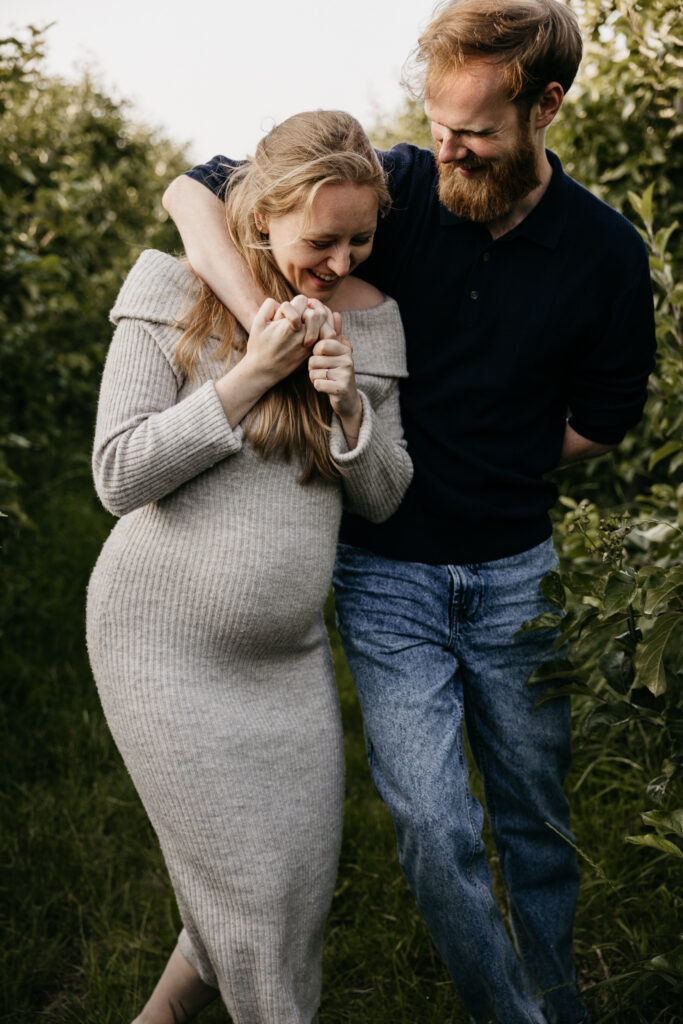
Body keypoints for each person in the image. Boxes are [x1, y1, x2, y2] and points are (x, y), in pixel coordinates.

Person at [162, 2, 657, 1022]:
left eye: (472, 132)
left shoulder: (602, 253)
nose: (446, 150)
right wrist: (262, 322)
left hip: (518, 572)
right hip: (386, 571)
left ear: (544, 106)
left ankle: (552, 1003)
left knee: (532, 818)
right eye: (434, 125)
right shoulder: (393, 189)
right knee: (432, 825)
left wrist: (504, 462)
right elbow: (191, 188)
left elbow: (602, 419)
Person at [86, 108, 413, 1024]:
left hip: (286, 661)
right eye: (322, 240)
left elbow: (384, 496)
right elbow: (118, 475)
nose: (341, 261)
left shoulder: (372, 322)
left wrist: (353, 417)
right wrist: (248, 376)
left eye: (360, 238)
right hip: (162, 648)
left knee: (289, 893)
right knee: (258, 909)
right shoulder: (168, 293)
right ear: (262, 214)